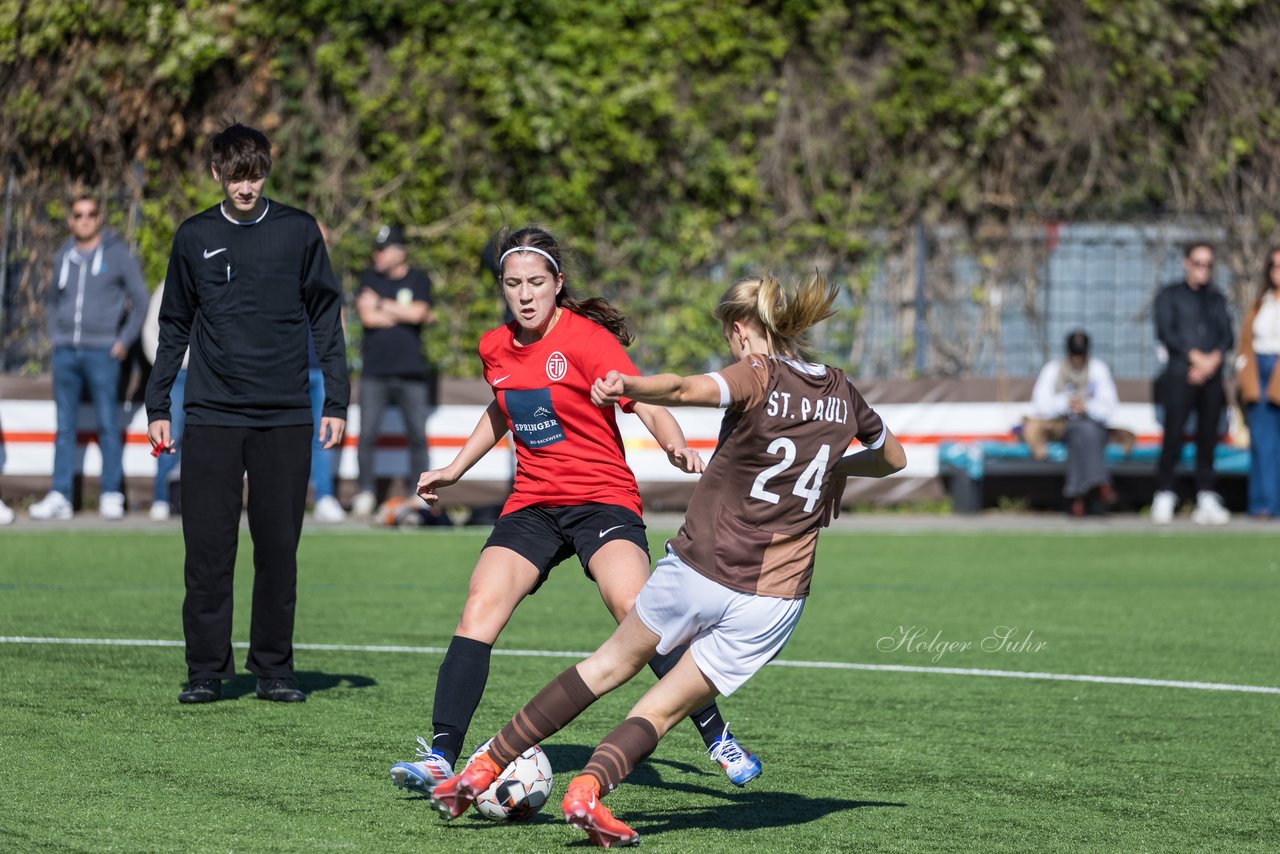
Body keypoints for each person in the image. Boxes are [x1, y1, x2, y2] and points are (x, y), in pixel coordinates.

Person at [425, 271, 905, 846]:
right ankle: (588, 791)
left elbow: (682, 389)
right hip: (774, 598)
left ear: (740, 329)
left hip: (701, 568)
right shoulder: (842, 390)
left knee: (604, 666)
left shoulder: (757, 372)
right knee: (659, 711)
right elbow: (892, 458)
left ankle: (480, 768)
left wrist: (630, 383)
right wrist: (837, 468)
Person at [388, 225, 760, 796]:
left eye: (537, 282)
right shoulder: (495, 347)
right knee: (480, 606)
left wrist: (674, 442)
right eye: (514, 284)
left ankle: (716, 735)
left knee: (637, 609)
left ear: (558, 284)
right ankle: (441, 755)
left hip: (601, 499)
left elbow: (645, 401)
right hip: (533, 503)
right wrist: (454, 470)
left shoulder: (587, 342)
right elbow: (501, 407)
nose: (526, 294)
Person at [145, 122, 348, 704]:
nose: (246, 186)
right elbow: (174, 324)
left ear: (267, 170)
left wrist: (336, 398)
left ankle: (274, 669)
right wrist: (159, 403)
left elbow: (325, 319)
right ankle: (206, 669)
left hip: (286, 414)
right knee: (208, 548)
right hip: (210, 412)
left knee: (278, 548)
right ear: (216, 173)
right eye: (235, 175)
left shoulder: (299, 232)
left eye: (255, 173)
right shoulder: (192, 236)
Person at [30, 192, 148, 521]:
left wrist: (123, 341)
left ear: (99, 218)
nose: (85, 219)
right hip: (66, 351)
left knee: (107, 424)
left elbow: (140, 300)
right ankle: (61, 495)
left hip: (103, 352)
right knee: (64, 426)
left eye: (91, 213)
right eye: (78, 214)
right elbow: (52, 300)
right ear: (70, 220)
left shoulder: (118, 254)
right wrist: (55, 335)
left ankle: (112, 493)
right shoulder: (64, 254)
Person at [350, 225, 435, 518]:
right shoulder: (368, 278)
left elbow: (420, 313)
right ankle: (365, 492)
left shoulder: (419, 278)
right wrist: (404, 315)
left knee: (417, 435)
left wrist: (382, 304)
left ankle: (420, 495)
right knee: (368, 433)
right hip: (375, 372)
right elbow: (369, 318)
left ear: (400, 252)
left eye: (383, 249)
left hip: (412, 372)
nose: (378, 255)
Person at [1151, 241, 1234, 525]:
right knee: (1172, 435)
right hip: (1178, 375)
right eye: (1198, 263)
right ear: (1187, 263)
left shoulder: (1217, 299)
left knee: (1207, 438)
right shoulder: (1169, 295)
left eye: (1209, 265)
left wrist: (1211, 362)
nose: (1203, 270)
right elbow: (1166, 331)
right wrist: (1193, 357)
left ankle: (1206, 494)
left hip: (1211, 378)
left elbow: (1227, 336)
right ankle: (1164, 492)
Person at [1029, 330, 1119, 516]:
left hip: (1093, 426)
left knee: (1085, 433)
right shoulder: (1053, 369)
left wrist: (1087, 407)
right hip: (1061, 427)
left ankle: (1076, 496)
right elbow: (1040, 404)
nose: (1077, 359)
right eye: (1074, 354)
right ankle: (1098, 484)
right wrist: (1064, 403)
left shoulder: (1098, 369)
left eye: (1081, 354)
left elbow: (1109, 408)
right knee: (1084, 432)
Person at [1235, 248, 1280, 518]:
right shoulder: (1261, 302)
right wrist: (1244, 370)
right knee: (1262, 442)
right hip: (1258, 371)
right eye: (1274, 266)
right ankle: (1262, 503)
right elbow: (1246, 340)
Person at [310, 222, 346, 523]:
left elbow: (340, 324)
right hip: (288, 371)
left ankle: (323, 495)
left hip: (321, 371)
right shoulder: (283, 272)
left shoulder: (331, 278)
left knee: (323, 437)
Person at [140, 281, 185, 521]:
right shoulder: (169, 285)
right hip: (176, 375)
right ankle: (160, 498)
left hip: (210, 374)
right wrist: (161, 367)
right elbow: (151, 331)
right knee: (167, 436)